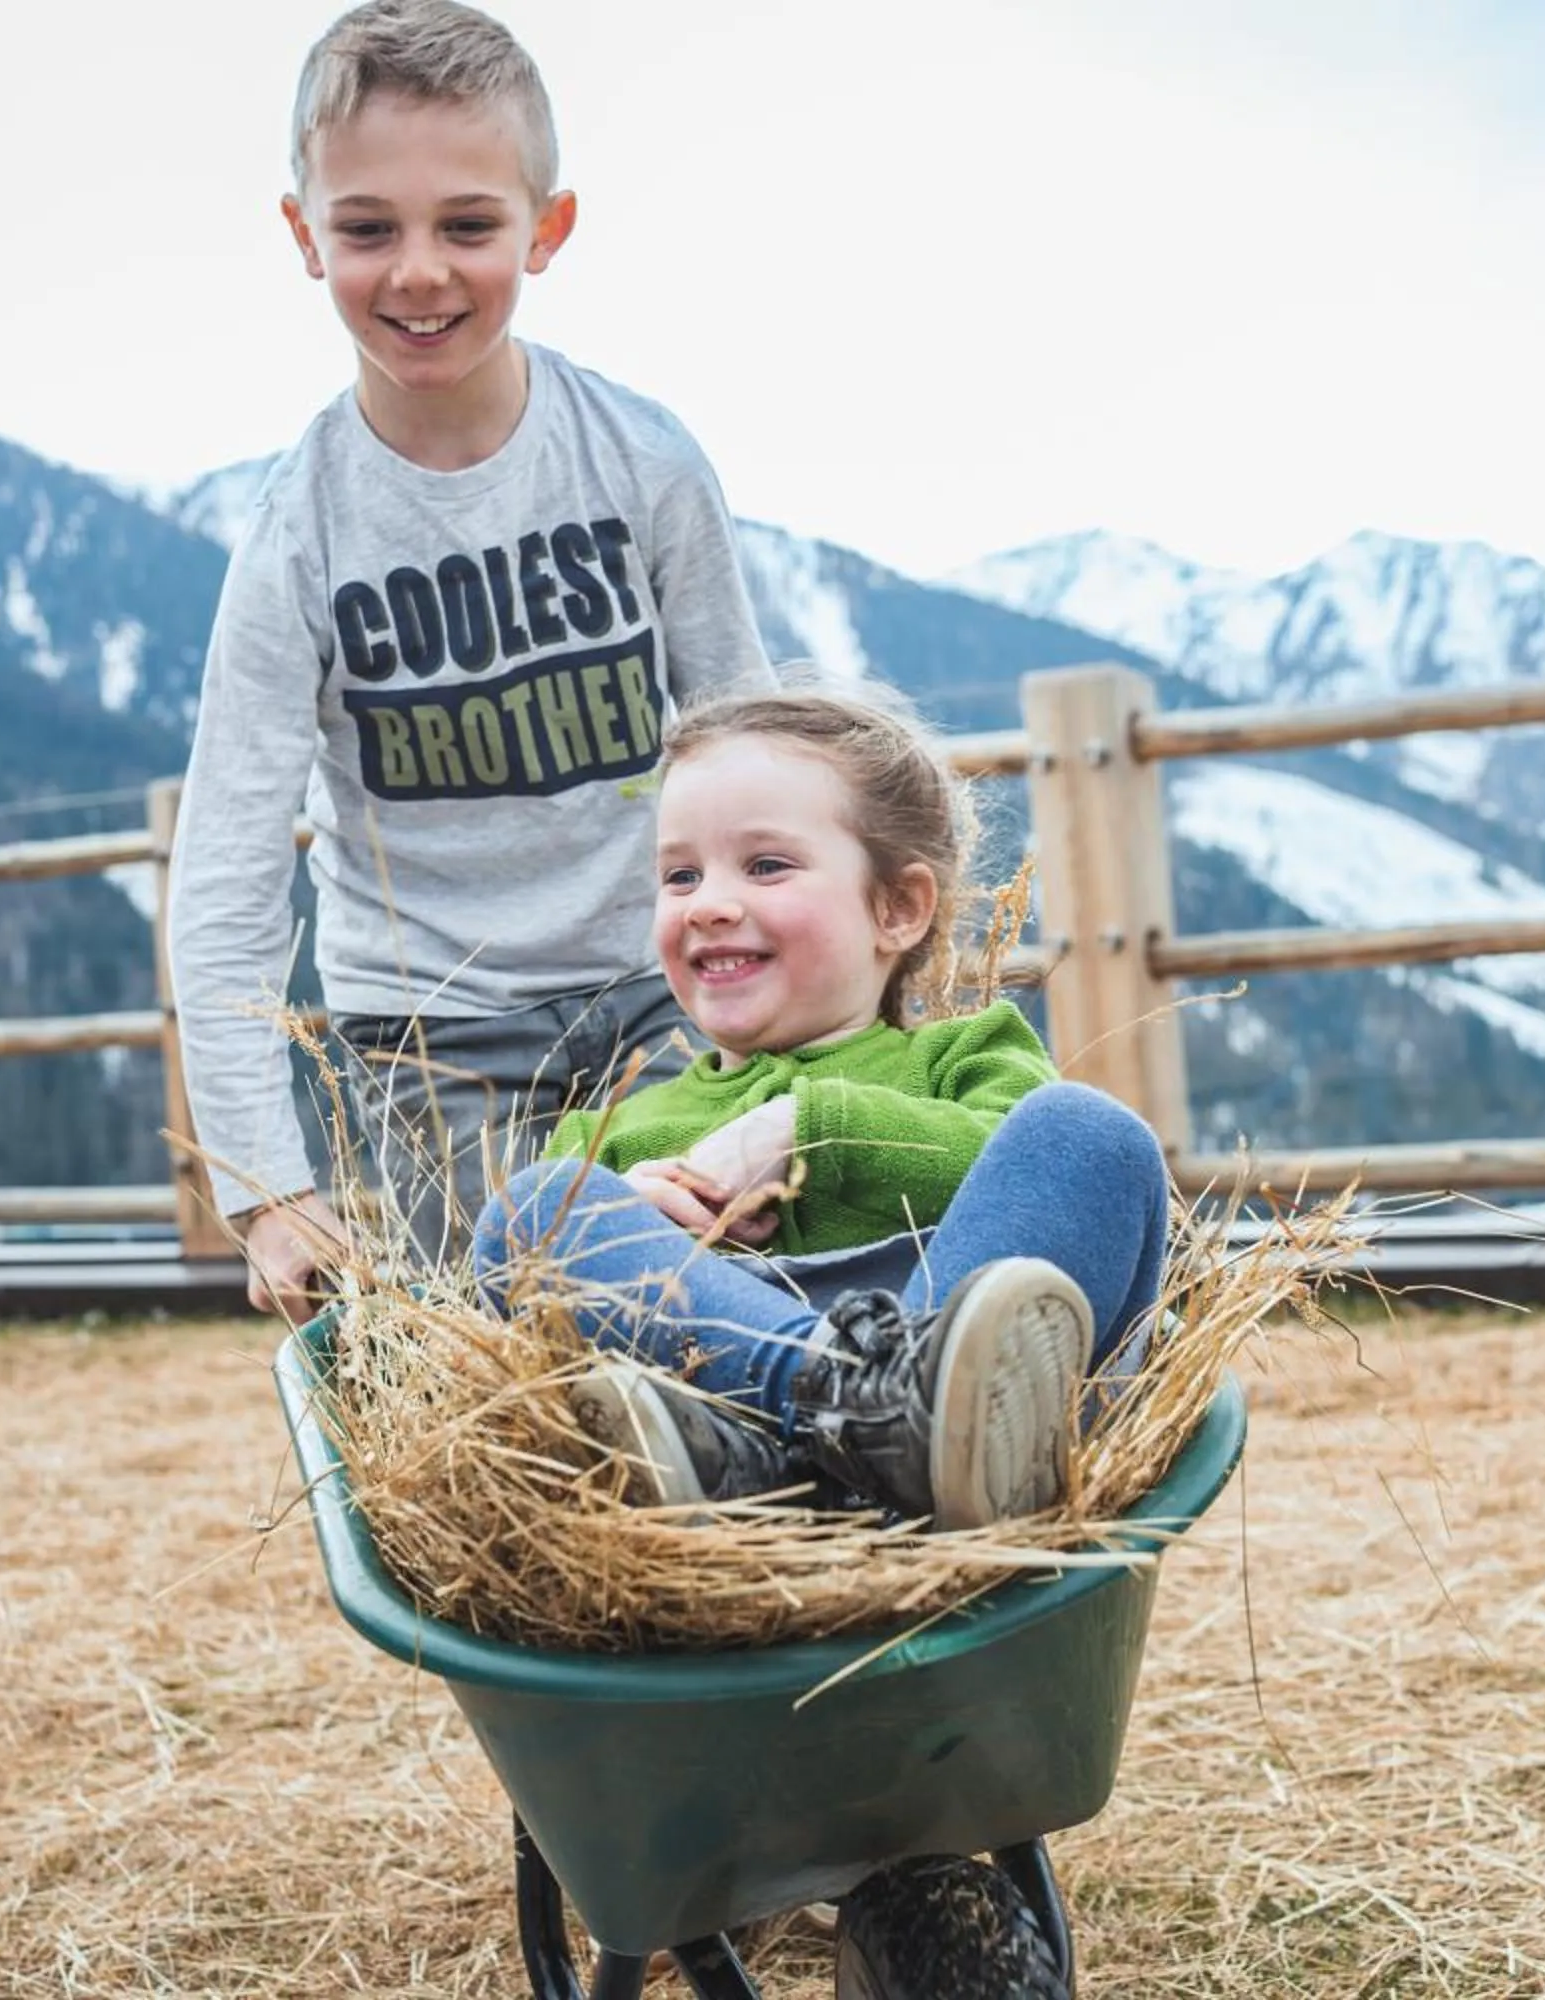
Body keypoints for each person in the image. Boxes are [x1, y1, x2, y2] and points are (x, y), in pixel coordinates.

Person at [167, 0, 773, 1323]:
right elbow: (224, 870)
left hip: (658, 991)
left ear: (545, 230)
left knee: (709, 1279)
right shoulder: (297, 540)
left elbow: (751, 754)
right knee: (518, 1334)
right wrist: (266, 1188)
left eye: (469, 225)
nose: (421, 272)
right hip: (428, 1044)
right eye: (369, 228)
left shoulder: (644, 465)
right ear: (303, 236)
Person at [474, 687, 1176, 1530]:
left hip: (982, 1419)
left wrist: (810, 1130)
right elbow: (521, 1341)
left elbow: (1026, 1175)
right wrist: (641, 1218)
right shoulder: (616, 1131)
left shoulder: (960, 1056)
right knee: (537, 1210)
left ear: (897, 908)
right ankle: (860, 1421)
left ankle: (899, 1435)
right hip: (726, 1428)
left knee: (1090, 1135)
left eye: (766, 866)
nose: (707, 903)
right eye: (679, 875)